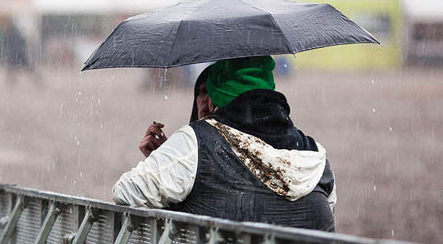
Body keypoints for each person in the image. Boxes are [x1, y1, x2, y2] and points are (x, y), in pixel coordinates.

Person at [114, 56, 336, 232]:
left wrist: (171, 163)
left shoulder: (196, 142)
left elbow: (126, 192)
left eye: (206, 91)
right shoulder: (316, 155)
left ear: (215, 95)